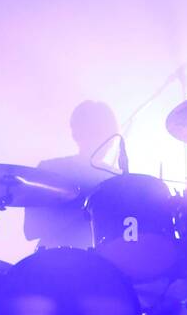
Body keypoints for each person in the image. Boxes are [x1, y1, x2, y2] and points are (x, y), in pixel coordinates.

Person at [23, 100, 121, 250]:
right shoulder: (50, 169)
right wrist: (84, 204)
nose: (105, 140)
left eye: (107, 133)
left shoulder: (117, 179)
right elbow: (30, 230)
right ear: (76, 133)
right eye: (96, 131)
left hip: (100, 266)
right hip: (52, 261)